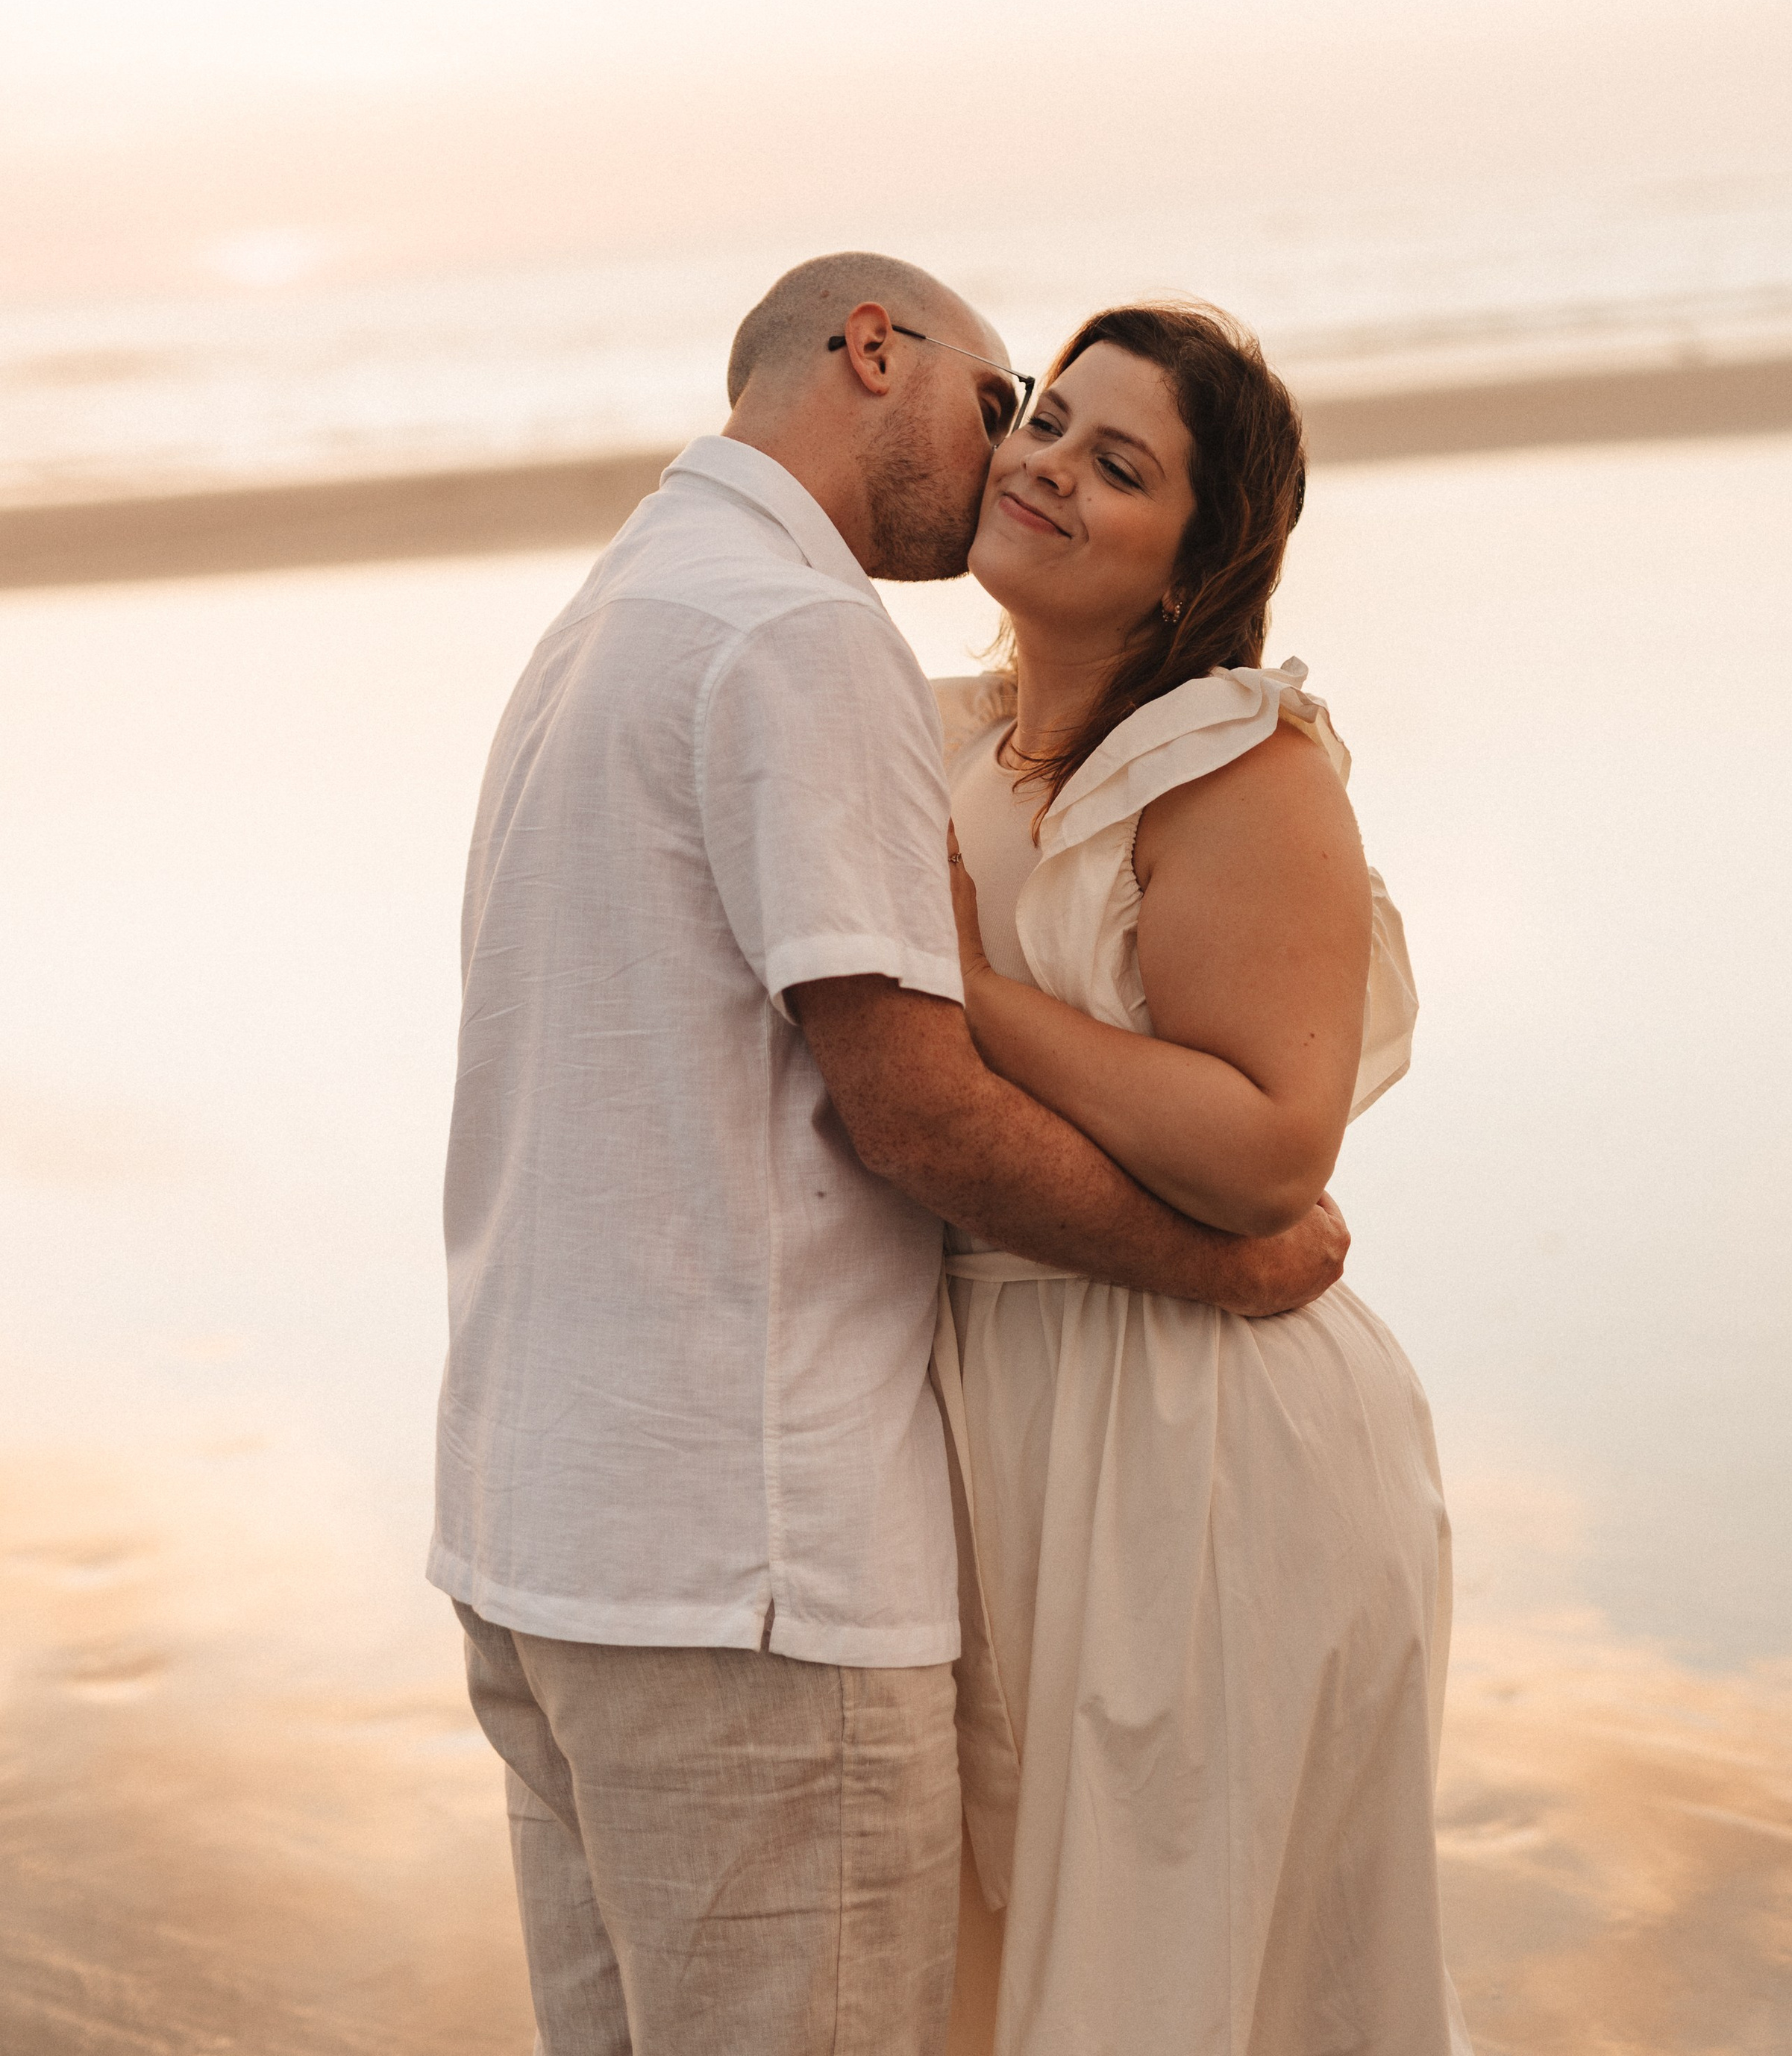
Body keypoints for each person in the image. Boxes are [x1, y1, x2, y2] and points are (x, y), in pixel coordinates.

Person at [427, 254, 1350, 2056]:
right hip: (746, 1575)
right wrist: (1229, 1267)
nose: (1017, 453)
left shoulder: (615, 610)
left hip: (543, 1538)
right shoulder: (798, 635)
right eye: (1010, 401)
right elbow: (912, 1106)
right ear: (873, 352)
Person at [933, 303, 1470, 2056]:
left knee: (1180, 1971)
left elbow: (1264, 1149)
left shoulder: (1233, 760)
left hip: (1203, 1443)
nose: (1045, 468)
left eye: (1118, 463)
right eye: (1047, 420)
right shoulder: (948, 740)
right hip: (1009, 1416)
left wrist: (973, 996)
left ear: (1193, 560)